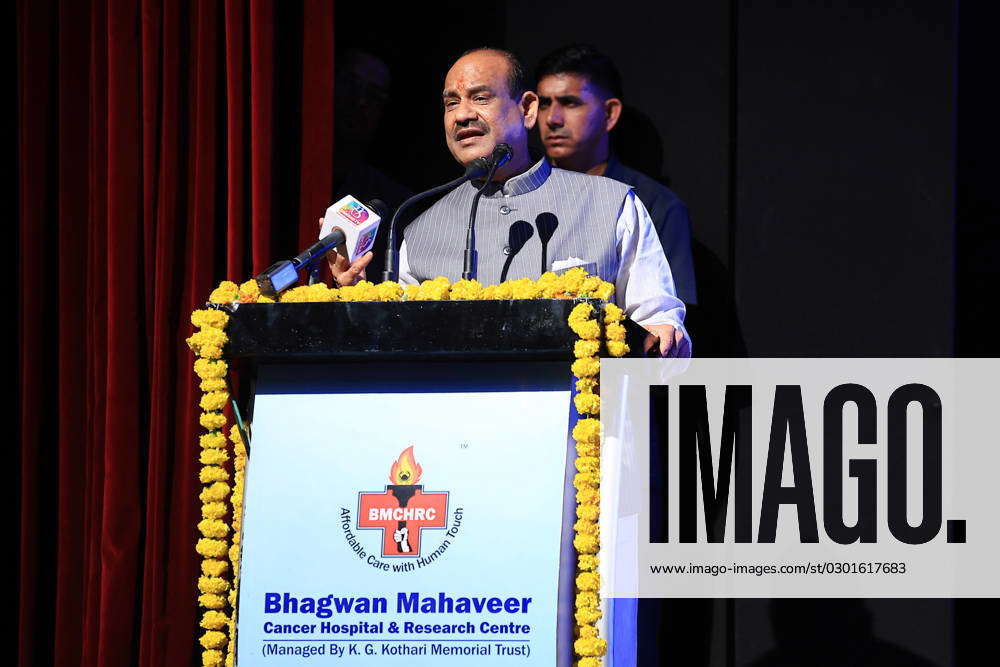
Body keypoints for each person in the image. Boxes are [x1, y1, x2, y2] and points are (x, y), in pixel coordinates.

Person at [328, 47, 689, 357]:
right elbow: (401, 346)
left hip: (580, 431)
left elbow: (661, 327)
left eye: (481, 97)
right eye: (451, 102)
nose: (462, 114)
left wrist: (660, 340)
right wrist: (359, 300)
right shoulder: (420, 226)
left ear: (528, 109)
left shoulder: (610, 204)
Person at [534, 44, 697, 305]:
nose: (552, 118)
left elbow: (669, 318)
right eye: (544, 103)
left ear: (609, 113)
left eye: (569, 103)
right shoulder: (520, 194)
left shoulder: (656, 206)